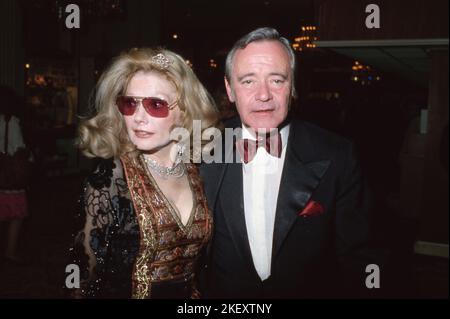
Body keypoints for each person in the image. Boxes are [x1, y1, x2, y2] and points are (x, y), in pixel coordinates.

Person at [199, 27, 384, 298]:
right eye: (248, 81)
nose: (263, 95)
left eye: (276, 80)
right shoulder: (202, 148)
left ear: (293, 85)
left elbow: (359, 255)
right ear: (230, 89)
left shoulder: (338, 155)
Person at [69, 48, 218, 298]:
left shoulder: (201, 171)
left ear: (185, 112)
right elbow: (82, 278)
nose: (138, 117)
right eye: (129, 103)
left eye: (155, 105)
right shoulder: (109, 180)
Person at [0, 85, 31, 266]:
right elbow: (18, 148)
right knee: (16, 215)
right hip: (9, 174)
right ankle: (10, 251)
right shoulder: (11, 122)